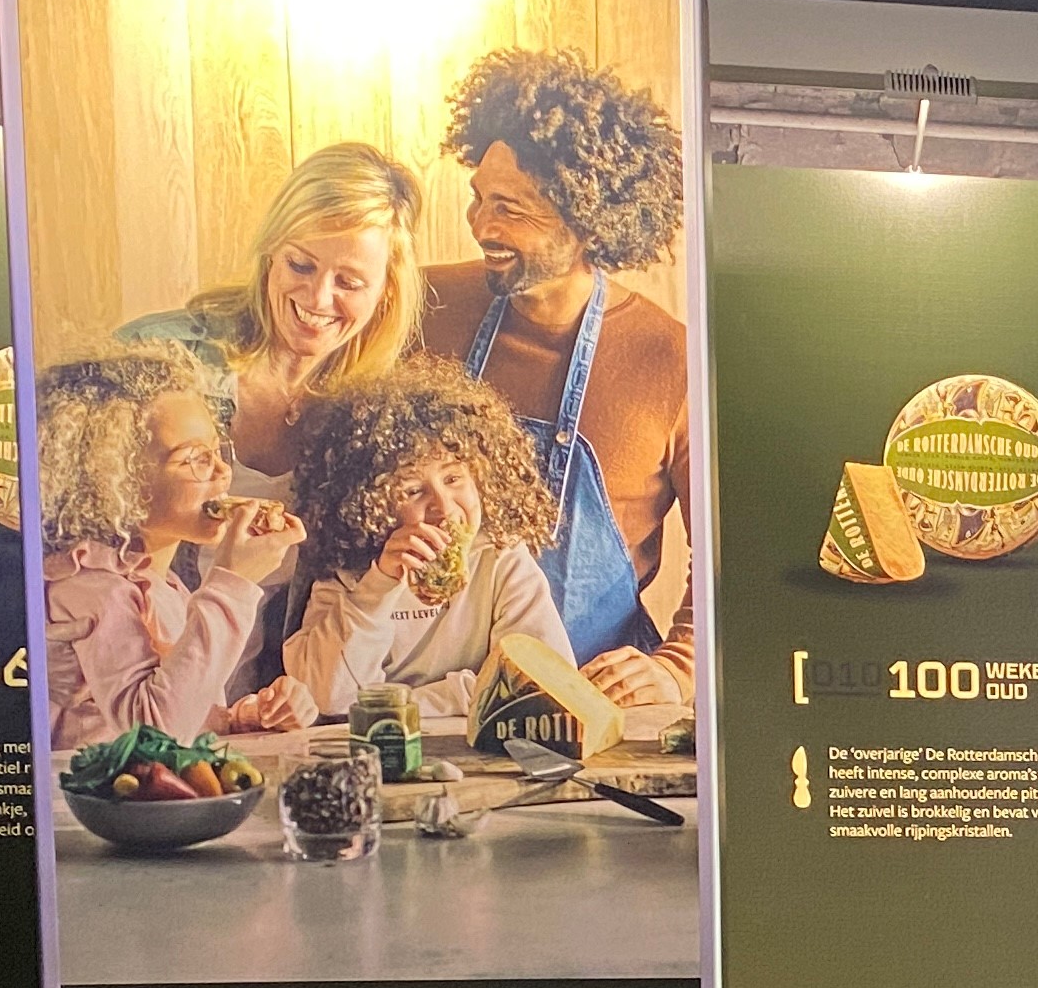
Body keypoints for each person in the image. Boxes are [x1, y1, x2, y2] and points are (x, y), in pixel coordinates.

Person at [413, 49, 694, 724]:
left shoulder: (671, 359)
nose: (483, 226)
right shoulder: (422, 309)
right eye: (480, 198)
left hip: (590, 707)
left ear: (586, 219)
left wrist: (678, 668)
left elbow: (734, 557)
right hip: (431, 700)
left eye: (511, 209)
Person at [33, 344, 309, 754]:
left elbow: (183, 709)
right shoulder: (91, 588)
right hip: (92, 794)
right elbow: (155, 733)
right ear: (114, 480)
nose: (223, 472)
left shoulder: (165, 585)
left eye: (217, 450)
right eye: (194, 458)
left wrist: (240, 718)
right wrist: (233, 582)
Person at [275, 356, 578, 726]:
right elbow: (328, 696)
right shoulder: (346, 571)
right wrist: (378, 586)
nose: (443, 507)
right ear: (369, 502)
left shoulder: (501, 557)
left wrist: (400, 705)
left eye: (453, 479)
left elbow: (545, 684)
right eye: (413, 490)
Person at [119, 140, 426, 490]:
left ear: (387, 290)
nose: (318, 297)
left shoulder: (384, 415)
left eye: (349, 283)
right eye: (300, 265)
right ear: (271, 252)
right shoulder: (150, 358)